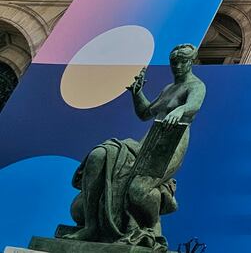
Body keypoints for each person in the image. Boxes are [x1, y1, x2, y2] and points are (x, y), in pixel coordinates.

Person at [64, 44, 206, 248]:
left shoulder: (195, 85)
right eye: (174, 62)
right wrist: (137, 93)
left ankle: (150, 227)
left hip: (171, 144)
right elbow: (145, 113)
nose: (178, 66)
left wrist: (180, 110)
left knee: (139, 189)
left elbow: (194, 105)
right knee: (100, 154)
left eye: (183, 61)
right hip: (147, 142)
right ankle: (91, 227)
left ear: (192, 62)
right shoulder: (169, 88)